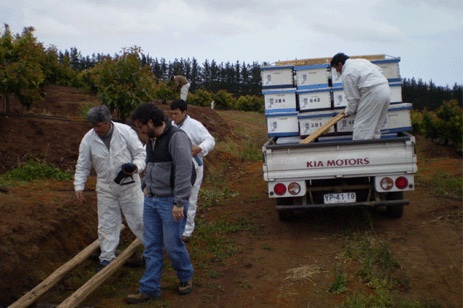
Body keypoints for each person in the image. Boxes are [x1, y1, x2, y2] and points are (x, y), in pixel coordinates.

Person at [126, 103, 194, 304]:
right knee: (152, 246)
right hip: (152, 200)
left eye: (141, 127)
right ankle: (149, 287)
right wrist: (146, 185)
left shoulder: (176, 138)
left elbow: (184, 170)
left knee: (173, 245)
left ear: (150, 122)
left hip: (171, 202)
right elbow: (150, 165)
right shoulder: (152, 140)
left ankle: (185, 276)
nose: (140, 132)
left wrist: (179, 202)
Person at [74, 105, 145, 270]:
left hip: (130, 186)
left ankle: (153, 250)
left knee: (139, 220)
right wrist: (79, 185)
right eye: (93, 126)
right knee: (107, 223)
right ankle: (106, 257)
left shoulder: (125, 132)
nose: (95, 129)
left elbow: (141, 154)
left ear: (107, 122)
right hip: (106, 187)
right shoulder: (88, 139)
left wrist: (135, 167)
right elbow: (83, 164)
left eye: (98, 125)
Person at [170, 99, 215, 242]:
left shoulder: (195, 126)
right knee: (174, 196)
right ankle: (175, 226)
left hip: (193, 165)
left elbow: (210, 140)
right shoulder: (170, 127)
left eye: (176, 114)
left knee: (190, 196)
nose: (173, 117)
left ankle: (187, 230)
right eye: (172, 114)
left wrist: (200, 148)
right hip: (175, 167)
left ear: (184, 113)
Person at [330, 53, 391, 140]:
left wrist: (348, 112)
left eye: (336, 68)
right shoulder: (361, 61)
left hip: (372, 93)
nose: (336, 71)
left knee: (362, 129)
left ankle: (361, 153)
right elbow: (379, 71)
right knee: (375, 128)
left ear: (340, 64)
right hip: (385, 89)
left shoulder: (347, 73)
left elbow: (353, 99)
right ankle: (375, 151)